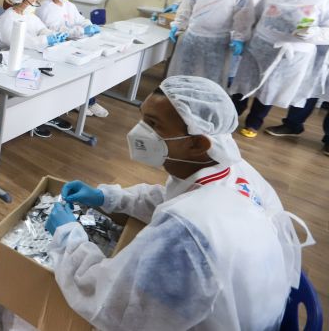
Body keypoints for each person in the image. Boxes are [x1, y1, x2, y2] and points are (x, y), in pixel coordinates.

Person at [44, 75, 311, 331]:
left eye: (153, 124)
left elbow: (110, 302)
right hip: (260, 306)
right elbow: (175, 197)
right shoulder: (232, 167)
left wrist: (68, 239)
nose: (138, 132)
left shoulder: (187, 232)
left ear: (197, 143)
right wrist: (107, 197)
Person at [230, 0, 329, 137]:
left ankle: (254, 123)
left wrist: (313, 33)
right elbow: (255, 13)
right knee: (243, 83)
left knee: (269, 87)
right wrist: (242, 37)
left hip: (291, 51)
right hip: (260, 45)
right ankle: (230, 116)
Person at [262, 0, 329, 153]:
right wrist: (312, 33)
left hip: (315, 45)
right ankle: (293, 124)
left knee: (310, 87)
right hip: (312, 47)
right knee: (307, 89)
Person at [0, 0, 70, 136]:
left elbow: (40, 29)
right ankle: (31, 120)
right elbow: (23, 42)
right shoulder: (7, 19)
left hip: (30, 56)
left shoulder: (29, 15)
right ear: (20, 0)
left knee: (49, 78)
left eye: (35, 1)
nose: (34, 4)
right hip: (11, 60)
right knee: (34, 82)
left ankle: (44, 115)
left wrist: (51, 34)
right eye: (31, 1)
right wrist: (46, 39)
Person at [167, 0, 254, 87]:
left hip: (218, 40)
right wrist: (178, 24)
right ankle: (180, 101)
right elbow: (187, 6)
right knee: (184, 72)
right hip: (193, 36)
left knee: (212, 77)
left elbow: (243, 14)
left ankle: (203, 105)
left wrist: (239, 38)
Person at [37, 0, 108, 118]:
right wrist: (80, 31)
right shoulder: (46, 7)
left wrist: (88, 25)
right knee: (74, 74)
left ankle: (88, 101)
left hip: (73, 44)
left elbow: (80, 20)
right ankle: (79, 101)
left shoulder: (69, 5)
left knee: (88, 69)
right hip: (55, 47)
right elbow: (56, 29)